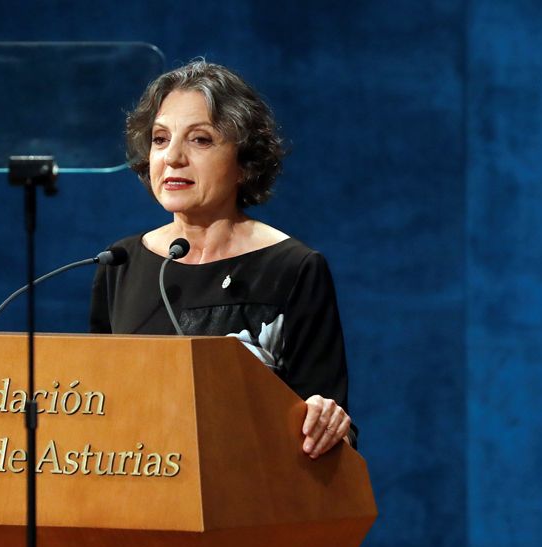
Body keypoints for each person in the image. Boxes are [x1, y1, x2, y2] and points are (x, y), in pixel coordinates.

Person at [90, 59, 354, 458]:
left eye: (200, 140)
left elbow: (332, 425)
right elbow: (98, 411)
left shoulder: (293, 268)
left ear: (244, 164)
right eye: (160, 139)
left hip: (254, 496)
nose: (173, 157)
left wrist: (328, 420)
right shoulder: (121, 262)